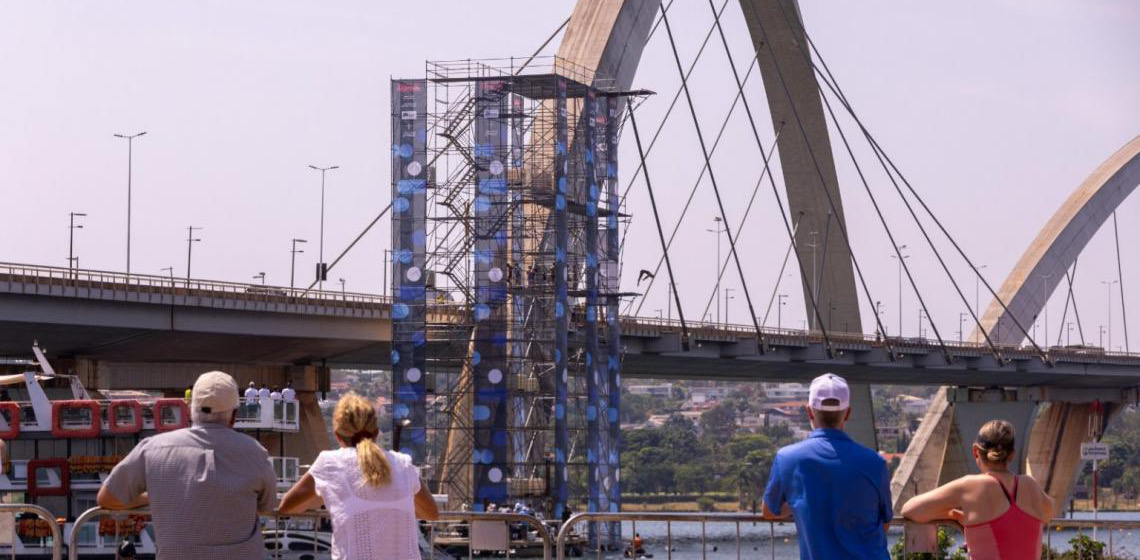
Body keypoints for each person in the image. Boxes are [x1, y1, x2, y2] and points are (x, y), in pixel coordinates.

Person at [97, 371, 277, 560]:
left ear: (191, 410)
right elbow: (267, 506)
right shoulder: (255, 452)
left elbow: (107, 498)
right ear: (234, 415)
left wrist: (151, 497)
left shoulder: (153, 448)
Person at [279, 392, 439, 560]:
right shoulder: (403, 464)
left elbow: (287, 507)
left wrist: (328, 499)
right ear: (376, 433)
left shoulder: (329, 463)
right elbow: (431, 513)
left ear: (337, 436)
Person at [763, 373, 891, 560]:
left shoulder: (787, 458)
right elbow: (885, 521)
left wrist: (799, 502)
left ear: (809, 412)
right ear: (847, 413)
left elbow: (769, 511)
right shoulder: (875, 462)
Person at [902, 420, 1053, 560]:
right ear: (1012, 454)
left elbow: (910, 510)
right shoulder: (1030, 484)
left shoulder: (970, 485)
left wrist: (952, 515)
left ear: (975, 451)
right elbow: (1048, 514)